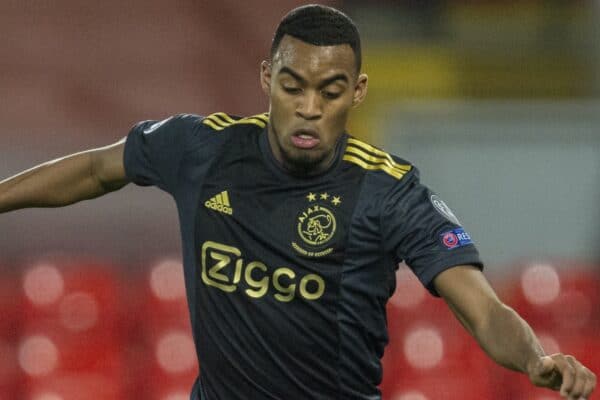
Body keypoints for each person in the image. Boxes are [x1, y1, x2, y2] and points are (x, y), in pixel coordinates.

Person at [0, 4, 596, 400]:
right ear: (266, 78)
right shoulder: (203, 149)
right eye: (293, 86)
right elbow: (98, 169)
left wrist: (535, 360)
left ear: (357, 91)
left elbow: (483, 309)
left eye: (330, 91)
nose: (309, 106)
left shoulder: (389, 192)